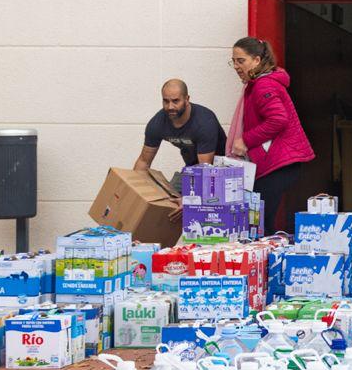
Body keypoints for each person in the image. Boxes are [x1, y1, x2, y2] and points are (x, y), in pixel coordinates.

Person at [228, 37, 313, 233]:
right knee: (261, 219)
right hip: (277, 162)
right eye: (233, 61)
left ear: (257, 60)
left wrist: (246, 140)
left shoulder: (263, 86)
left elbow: (278, 119)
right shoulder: (260, 83)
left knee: (260, 221)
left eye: (241, 61)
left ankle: (266, 260)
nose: (236, 66)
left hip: (279, 163)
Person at [134, 79, 225, 170]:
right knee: (167, 184)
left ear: (187, 99)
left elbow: (205, 169)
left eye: (175, 101)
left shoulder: (204, 122)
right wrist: (131, 183)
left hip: (221, 170)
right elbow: (144, 161)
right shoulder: (157, 123)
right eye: (166, 101)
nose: (170, 107)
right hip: (191, 168)